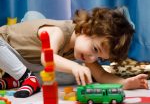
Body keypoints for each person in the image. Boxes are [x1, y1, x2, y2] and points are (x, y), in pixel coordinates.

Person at [0, 7, 148, 98]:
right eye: (95, 49)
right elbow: (47, 58)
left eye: (100, 58)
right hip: (6, 49)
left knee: (78, 75)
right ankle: (25, 78)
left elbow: (101, 75)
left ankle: (16, 79)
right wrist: (75, 67)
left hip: (27, 64)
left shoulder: (86, 53)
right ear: (86, 29)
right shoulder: (58, 32)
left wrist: (124, 83)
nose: (92, 58)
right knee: (74, 68)